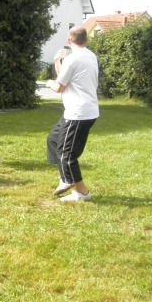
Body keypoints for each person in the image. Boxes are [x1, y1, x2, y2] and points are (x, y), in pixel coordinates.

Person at [46, 25, 99, 202]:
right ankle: (65, 177)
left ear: (69, 40)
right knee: (53, 139)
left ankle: (80, 192)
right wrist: (57, 62)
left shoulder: (73, 59)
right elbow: (65, 79)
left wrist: (48, 83)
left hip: (78, 113)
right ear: (86, 39)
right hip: (79, 111)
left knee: (67, 155)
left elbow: (58, 87)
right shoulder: (90, 56)